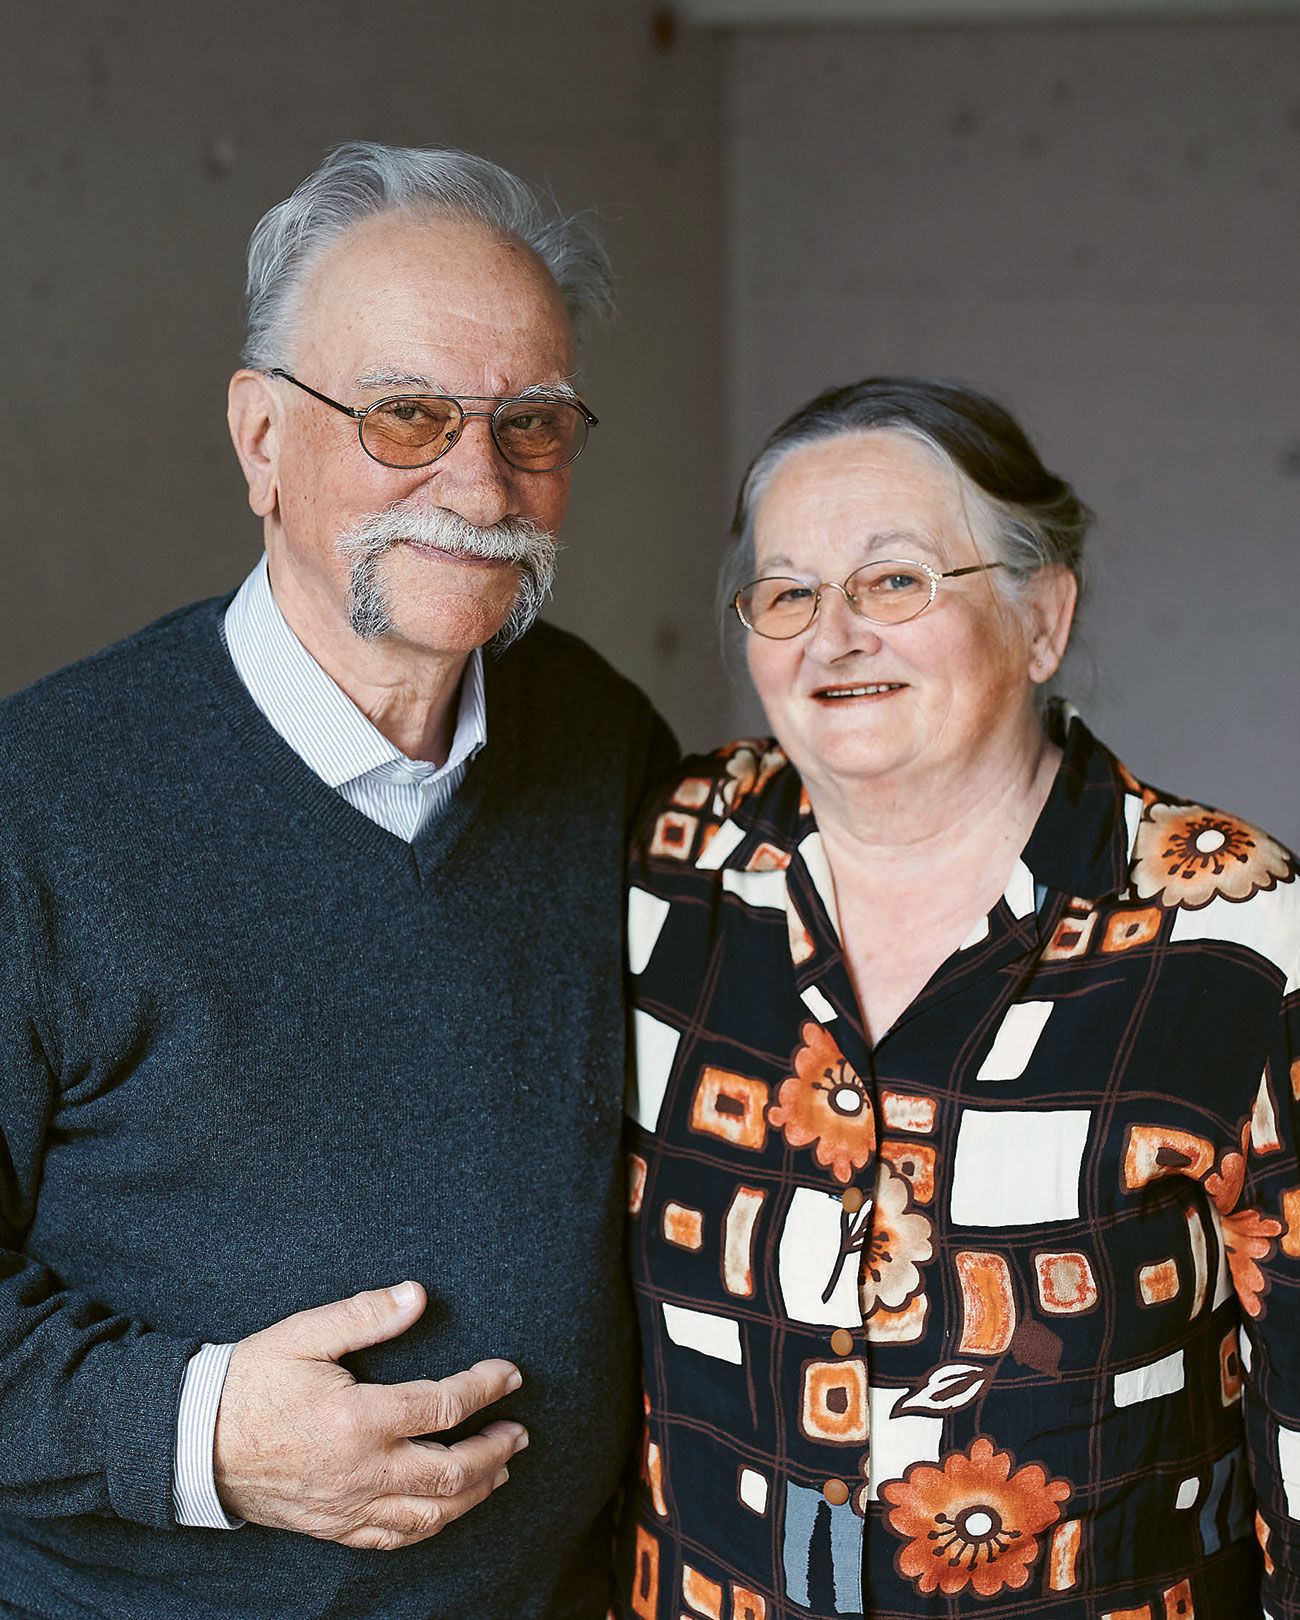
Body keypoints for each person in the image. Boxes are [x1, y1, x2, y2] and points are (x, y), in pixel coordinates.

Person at [0, 142, 675, 1620]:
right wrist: (202, 1436)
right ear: (259, 439)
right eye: (406, 414)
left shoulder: (606, 740)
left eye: (533, 423)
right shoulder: (31, 804)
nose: (478, 481)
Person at [616, 377, 1299, 1619]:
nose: (833, 636)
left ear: (1043, 619)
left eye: (894, 581)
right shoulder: (673, 866)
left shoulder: (1232, 931)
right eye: (787, 593)